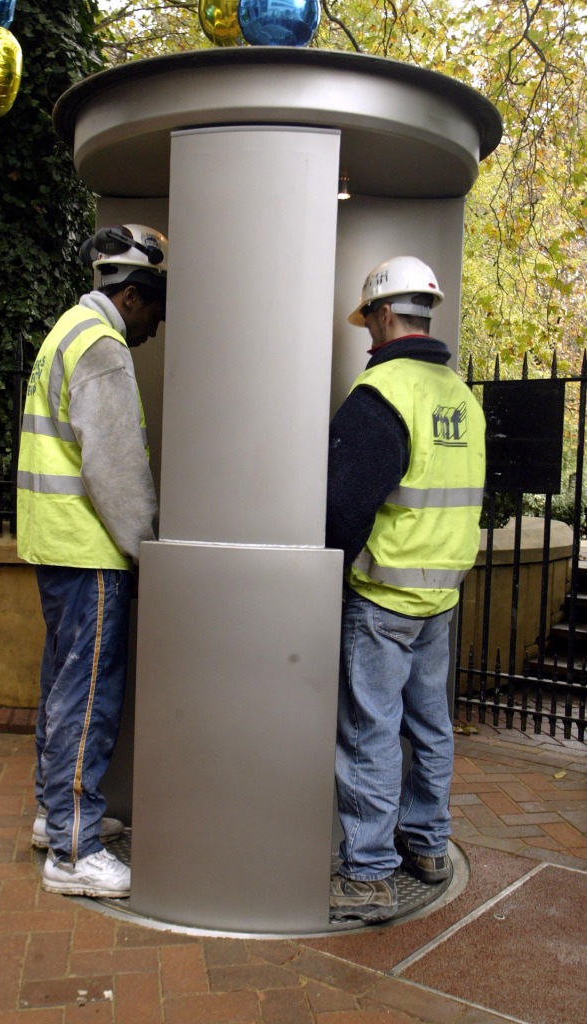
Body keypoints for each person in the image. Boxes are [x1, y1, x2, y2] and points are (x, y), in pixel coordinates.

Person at [326, 255, 486, 923]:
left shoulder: (380, 396)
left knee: (370, 730)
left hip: (385, 599)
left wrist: (327, 577)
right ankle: (425, 846)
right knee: (429, 727)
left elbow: (342, 507)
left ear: (387, 315)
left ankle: (366, 874)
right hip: (440, 597)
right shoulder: (461, 397)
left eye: (368, 321)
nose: (366, 335)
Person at [17, 223, 168, 898]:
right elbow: (115, 467)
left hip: (55, 543)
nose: (155, 326)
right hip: (90, 549)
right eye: (156, 308)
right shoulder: (102, 347)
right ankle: (75, 854)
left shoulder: (64, 332)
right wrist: (146, 550)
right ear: (132, 295)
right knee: (87, 700)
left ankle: (56, 818)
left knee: (60, 688)